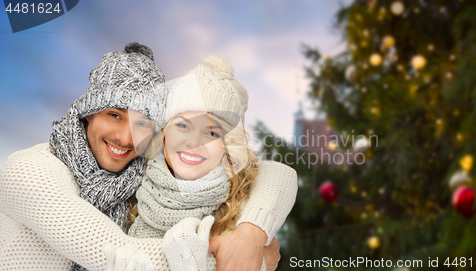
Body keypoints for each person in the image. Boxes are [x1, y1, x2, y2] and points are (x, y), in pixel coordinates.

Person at [0, 43, 297, 271]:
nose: (126, 137)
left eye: (142, 123)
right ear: (87, 113)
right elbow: (120, 256)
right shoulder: (30, 170)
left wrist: (251, 233)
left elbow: (277, 173)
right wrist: (251, 259)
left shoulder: (131, 177)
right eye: (114, 114)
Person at [126, 55, 297, 271]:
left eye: (212, 132)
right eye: (183, 126)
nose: (194, 142)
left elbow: (281, 173)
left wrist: (251, 235)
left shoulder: (241, 204)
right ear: (164, 132)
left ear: (227, 145)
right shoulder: (131, 183)